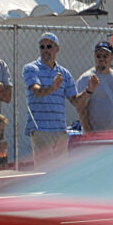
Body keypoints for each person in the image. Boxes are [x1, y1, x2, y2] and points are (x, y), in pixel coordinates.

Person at [23, 32, 93, 165]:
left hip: (60, 130)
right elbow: (36, 91)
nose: (45, 50)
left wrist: (89, 90)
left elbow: (75, 101)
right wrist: (52, 88)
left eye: (49, 46)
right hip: (40, 128)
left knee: (59, 171)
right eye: (42, 47)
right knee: (44, 170)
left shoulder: (64, 73)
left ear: (57, 49)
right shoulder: (31, 69)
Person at [76, 41, 113, 133]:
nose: (102, 59)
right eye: (98, 56)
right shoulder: (85, 79)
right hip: (96, 135)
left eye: (105, 56)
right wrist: (89, 133)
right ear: (94, 56)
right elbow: (81, 109)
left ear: (112, 57)